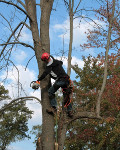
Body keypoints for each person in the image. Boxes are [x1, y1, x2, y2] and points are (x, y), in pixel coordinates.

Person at [37, 52, 73, 117]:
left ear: (45, 60)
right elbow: (61, 62)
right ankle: (70, 111)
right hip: (67, 80)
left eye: (44, 61)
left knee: (50, 92)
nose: (44, 62)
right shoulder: (57, 62)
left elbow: (44, 74)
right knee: (66, 96)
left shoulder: (49, 67)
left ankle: (54, 108)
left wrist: (38, 80)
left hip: (60, 80)